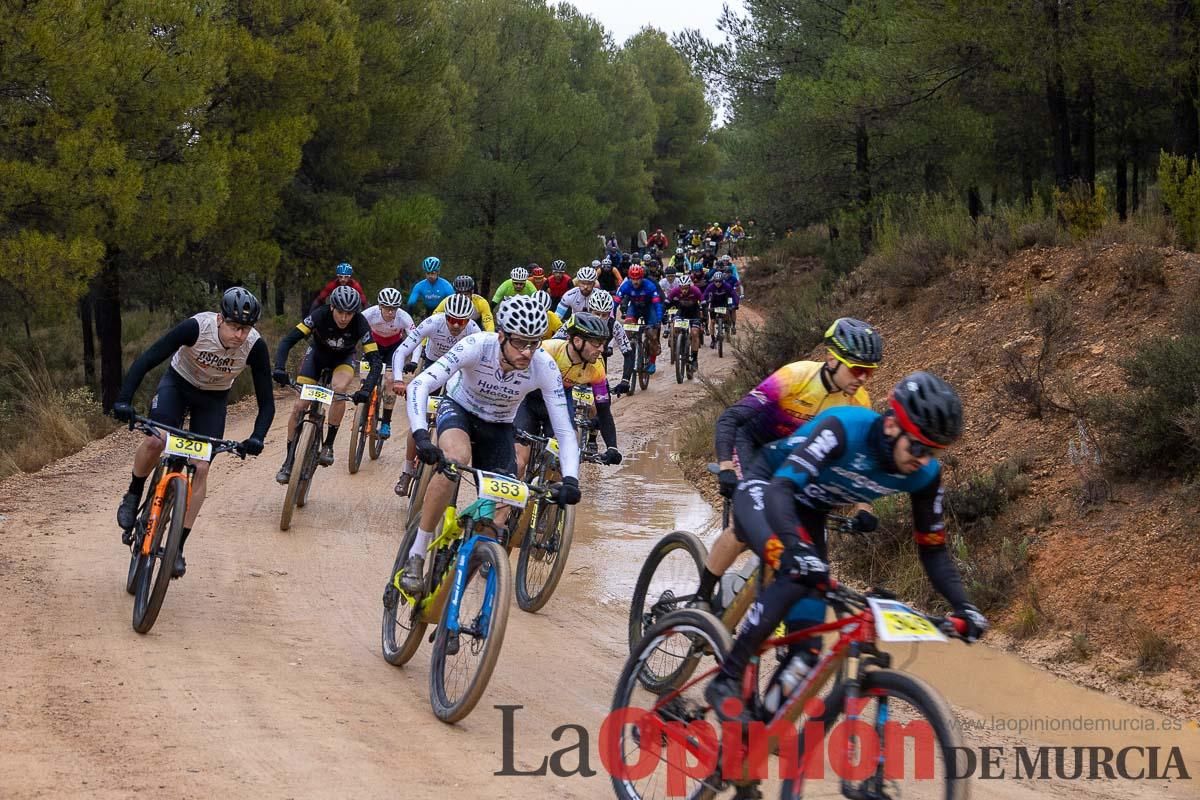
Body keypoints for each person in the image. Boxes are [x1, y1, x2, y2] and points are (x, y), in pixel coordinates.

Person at [704, 372, 989, 717]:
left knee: (806, 647)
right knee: (796, 571)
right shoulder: (843, 427)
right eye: (917, 446)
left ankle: (759, 728)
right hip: (768, 487)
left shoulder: (924, 475)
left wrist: (965, 607)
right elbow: (781, 490)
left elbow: (933, 549)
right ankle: (727, 677)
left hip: (810, 511)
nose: (923, 459)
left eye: (933, 451)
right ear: (891, 426)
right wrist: (796, 549)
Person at [396, 295, 583, 600]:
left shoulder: (543, 365)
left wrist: (571, 479)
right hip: (460, 410)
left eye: (534, 343)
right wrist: (420, 435)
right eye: (520, 342)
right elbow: (420, 385)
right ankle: (417, 552)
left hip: (498, 427)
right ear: (502, 336)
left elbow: (563, 427)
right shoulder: (477, 346)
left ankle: (454, 594)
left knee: (502, 510)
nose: (527, 352)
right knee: (455, 460)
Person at [692, 318, 883, 610]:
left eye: (870, 372)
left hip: (792, 462)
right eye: (857, 369)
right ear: (832, 358)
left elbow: (859, 462)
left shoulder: (858, 403)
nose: (863, 379)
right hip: (753, 443)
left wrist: (864, 507)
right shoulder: (795, 376)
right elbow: (731, 418)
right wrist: (727, 467)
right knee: (744, 529)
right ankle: (701, 599)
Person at [112, 288, 274, 578]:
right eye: (235, 327)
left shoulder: (255, 346)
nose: (240, 335)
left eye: (246, 328)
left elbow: (267, 402)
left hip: (213, 399)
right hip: (178, 385)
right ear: (220, 319)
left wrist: (257, 437)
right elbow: (148, 358)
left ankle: (178, 547)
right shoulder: (197, 327)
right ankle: (133, 494)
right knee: (156, 439)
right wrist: (124, 400)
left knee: (201, 467)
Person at [273, 285, 382, 479]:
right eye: (340, 312)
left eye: (349, 313)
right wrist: (280, 368)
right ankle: (288, 460)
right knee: (300, 406)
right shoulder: (319, 315)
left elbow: (375, 360)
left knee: (339, 390)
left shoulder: (360, 323)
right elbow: (288, 340)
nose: (344, 318)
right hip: (316, 357)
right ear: (332, 307)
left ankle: (328, 444)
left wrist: (366, 389)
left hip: (343, 360)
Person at [389, 294, 481, 497]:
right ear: (445, 316)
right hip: (432, 366)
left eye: (461, 321)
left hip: (458, 372)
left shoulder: (474, 331)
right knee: (418, 422)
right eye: (452, 320)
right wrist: (397, 379)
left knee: (449, 421)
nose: (456, 325)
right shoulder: (433, 322)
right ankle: (406, 471)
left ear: (469, 321)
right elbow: (401, 351)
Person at [515, 312, 622, 479]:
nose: (601, 349)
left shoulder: (597, 368)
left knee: (559, 465)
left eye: (603, 343)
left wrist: (612, 447)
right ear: (577, 341)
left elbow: (603, 410)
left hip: (561, 405)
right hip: (530, 401)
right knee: (518, 464)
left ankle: (550, 502)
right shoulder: (548, 349)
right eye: (596, 343)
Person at [361, 288, 415, 439]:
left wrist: (414, 361)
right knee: (365, 376)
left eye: (394, 309)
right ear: (380, 306)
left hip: (394, 348)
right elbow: (354, 331)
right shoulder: (369, 314)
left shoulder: (404, 317)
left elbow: (415, 339)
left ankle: (386, 421)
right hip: (374, 346)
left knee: (390, 380)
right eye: (387, 308)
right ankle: (363, 408)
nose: (391, 312)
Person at [616, 264, 664, 375]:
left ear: (642, 278)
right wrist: (612, 316)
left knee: (652, 334)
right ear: (629, 278)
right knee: (627, 327)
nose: (635, 282)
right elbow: (616, 302)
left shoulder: (650, 286)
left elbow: (657, 304)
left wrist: (658, 320)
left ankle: (652, 361)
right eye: (633, 279)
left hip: (649, 308)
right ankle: (631, 347)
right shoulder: (626, 286)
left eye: (637, 279)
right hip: (634, 307)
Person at [666, 273, 705, 371]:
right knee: (675, 326)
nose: (684, 290)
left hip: (694, 313)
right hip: (682, 312)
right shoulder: (675, 291)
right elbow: (667, 300)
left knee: (695, 333)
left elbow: (703, 301)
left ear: (689, 286)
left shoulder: (695, 290)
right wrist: (665, 307)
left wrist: (703, 317)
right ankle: (678, 344)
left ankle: (694, 359)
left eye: (686, 288)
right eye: (682, 288)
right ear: (679, 287)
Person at [703, 269, 740, 342]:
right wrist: (704, 302)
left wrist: (735, 304)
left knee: (727, 314)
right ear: (714, 281)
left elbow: (734, 295)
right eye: (716, 281)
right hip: (714, 303)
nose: (718, 283)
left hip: (724, 303)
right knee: (712, 321)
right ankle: (713, 340)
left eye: (720, 281)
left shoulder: (727, 286)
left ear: (722, 280)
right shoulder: (711, 286)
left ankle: (727, 325)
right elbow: (705, 294)